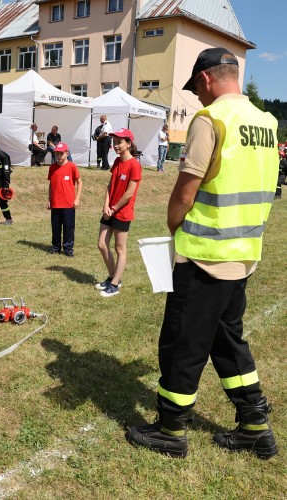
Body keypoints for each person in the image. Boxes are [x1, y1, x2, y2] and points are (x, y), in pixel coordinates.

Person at [126, 48, 279, 459]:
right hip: (244, 253)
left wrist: (173, 227)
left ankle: (171, 429)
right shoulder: (266, 122)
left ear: (208, 78)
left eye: (196, 88)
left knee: (183, 343)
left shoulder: (210, 121)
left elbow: (186, 190)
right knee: (228, 341)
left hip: (204, 254)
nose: (197, 97)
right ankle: (254, 425)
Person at [95, 128, 141, 297]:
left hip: (122, 212)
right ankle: (113, 277)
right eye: (114, 142)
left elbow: (129, 193)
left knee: (120, 248)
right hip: (109, 210)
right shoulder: (116, 162)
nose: (115, 145)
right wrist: (106, 206)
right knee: (101, 244)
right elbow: (110, 185)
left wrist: (114, 209)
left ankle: (114, 284)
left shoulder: (135, 165)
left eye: (119, 142)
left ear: (129, 144)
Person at [47, 142, 83, 257]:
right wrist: (49, 199)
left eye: (61, 154)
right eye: (57, 154)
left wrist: (77, 199)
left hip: (68, 204)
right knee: (55, 227)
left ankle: (68, 249)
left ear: (67, 153)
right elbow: (51, 185)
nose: (58, 156)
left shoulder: (72, 166)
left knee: (68, 227)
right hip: (55, 203)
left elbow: (79, 182)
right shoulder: (52, 167)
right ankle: (55, 247)